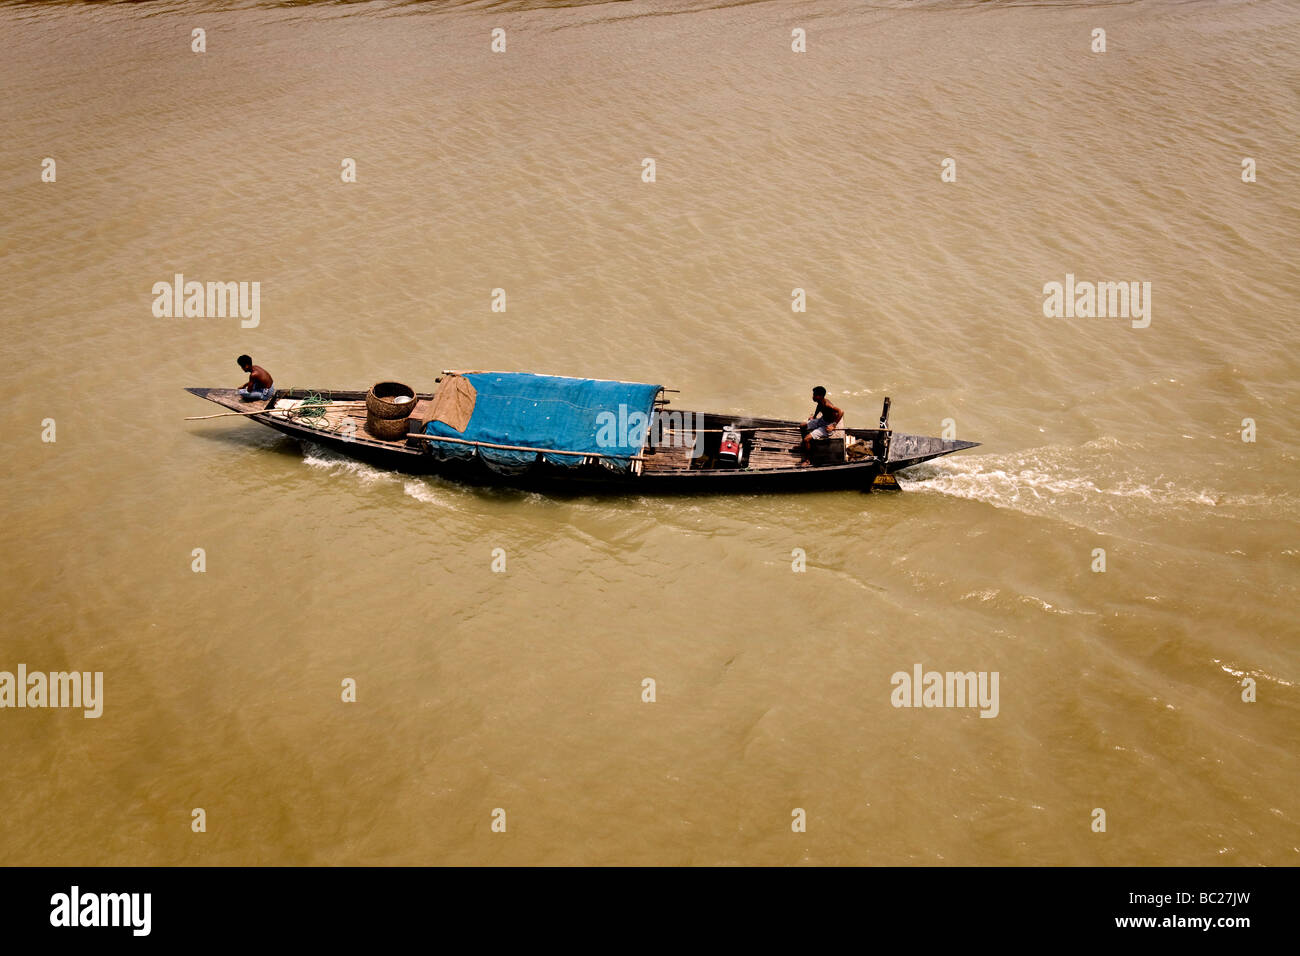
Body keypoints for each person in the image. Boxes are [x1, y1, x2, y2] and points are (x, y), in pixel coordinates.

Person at [800, 386, 843, 461]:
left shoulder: (828, 405)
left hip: (827, 425)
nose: (813, 397)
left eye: (815, 395)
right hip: (821, 420)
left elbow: (841, 412)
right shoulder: (820, 402)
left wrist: (833, 425)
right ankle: (803, 445)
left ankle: (807, 460)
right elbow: (818, 407)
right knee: (802, 425)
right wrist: (814, 417)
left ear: (820, 396)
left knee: (807, 439)